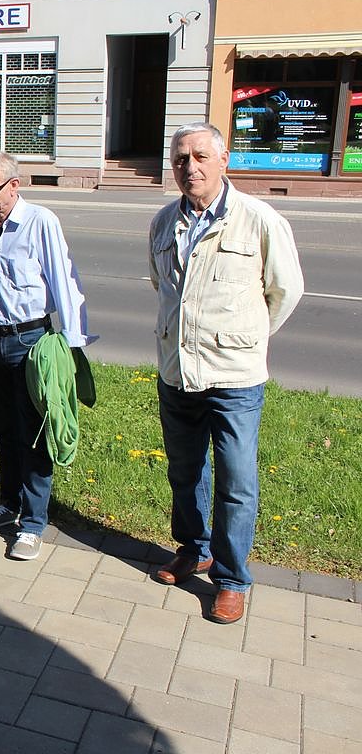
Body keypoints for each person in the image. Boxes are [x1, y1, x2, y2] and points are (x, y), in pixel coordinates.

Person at [148, 122, 303, 624]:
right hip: (177, 373)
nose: (189, 167)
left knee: (236, 480)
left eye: (199, 157)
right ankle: (194, 549)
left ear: (223, 160)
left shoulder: (258, 219)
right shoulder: (163, 222)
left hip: (235, 378)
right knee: (184, 470)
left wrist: (245, 337)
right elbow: (162, 287)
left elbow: (285, 291)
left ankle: (232, 579)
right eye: (180, 159)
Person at [0, 149, 95, 561]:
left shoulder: (40, 222)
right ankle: (10, 502)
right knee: (2, 426)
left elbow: (64, 282)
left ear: (14, 186)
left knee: (34, 432)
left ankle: (33, 524)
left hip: (32, 342)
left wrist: (72, 344)